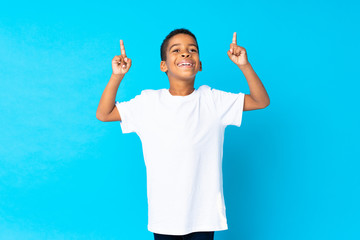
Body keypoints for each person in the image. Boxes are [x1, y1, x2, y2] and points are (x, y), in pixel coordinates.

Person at [96, 28, 270, 240]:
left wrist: (244, 66)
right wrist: (117, 76)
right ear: (164, 65)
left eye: (192, 50)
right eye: (176, 50)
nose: (186, 54)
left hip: (203, 217)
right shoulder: (148, 103)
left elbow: (261, 101)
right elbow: (104, 114)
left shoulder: (213, 101)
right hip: (164, 217)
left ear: (199, 64)